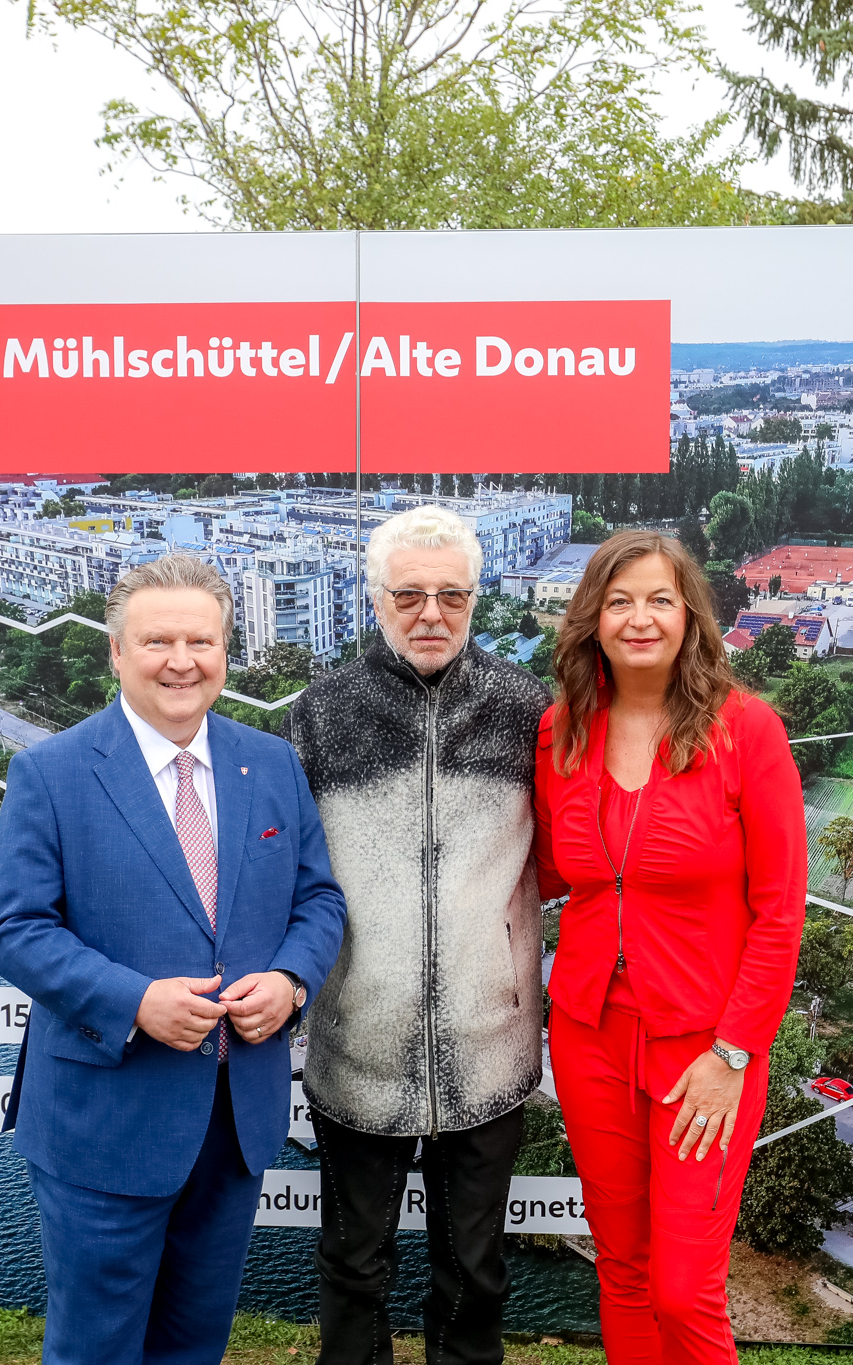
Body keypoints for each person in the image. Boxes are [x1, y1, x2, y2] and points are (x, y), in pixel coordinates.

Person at [0, 555, 348, 1365]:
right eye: (157, 640)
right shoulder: (51, 773)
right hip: (104, 1122)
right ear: (115, 651)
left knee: (194, 1344)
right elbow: (15, 927)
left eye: (201, 639)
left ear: (226, 650)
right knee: (96, 1349)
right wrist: (134, 1000)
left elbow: (319, 901)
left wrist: (291, 980)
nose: (181, 660)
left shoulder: (273, 763)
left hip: (232, 1120)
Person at [531, 530, 805, 1365]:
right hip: (588, 1035)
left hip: (704, 1050)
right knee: (621, 1268)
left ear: (690, 615)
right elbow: (545, 870)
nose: (639, 617)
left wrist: (735, 1051)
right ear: (592, 620)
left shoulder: (746, 730)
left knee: (685, 1288)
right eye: (619, 601)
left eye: (659, 599)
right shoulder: (561, 731)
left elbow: (781, 909)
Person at [288, 505, 552, 1365]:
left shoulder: (527, 711)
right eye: (408, 594)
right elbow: (281, 871)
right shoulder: (319, 715)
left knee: (475, 1270)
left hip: (490, 1046)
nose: (430, 612)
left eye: (451, 594)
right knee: (353, 1263)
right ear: (374, 600)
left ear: (477, 597)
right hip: (357, 1038)